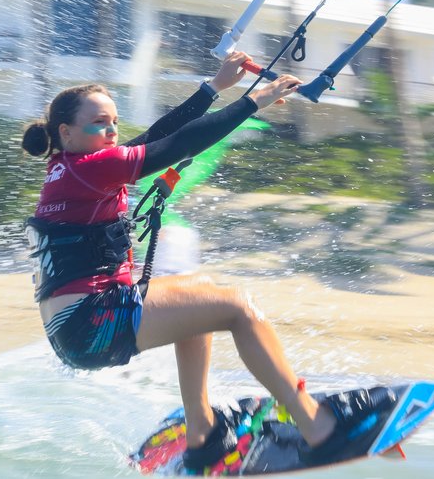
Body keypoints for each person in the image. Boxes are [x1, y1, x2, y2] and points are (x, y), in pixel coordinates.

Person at [21, 52, 392, 473]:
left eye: (114, 122)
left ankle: (201, 431)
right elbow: (176, 145)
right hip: (92, 323)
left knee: (199, 290)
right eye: (98, 123)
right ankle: (317, 426)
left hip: (78, 324)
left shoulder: (71, 167)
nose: (111, 131)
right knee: (237, 307)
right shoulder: (94, 167)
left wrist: (213, 88)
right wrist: (256, 100)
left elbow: (156, 136)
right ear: (66, 132)